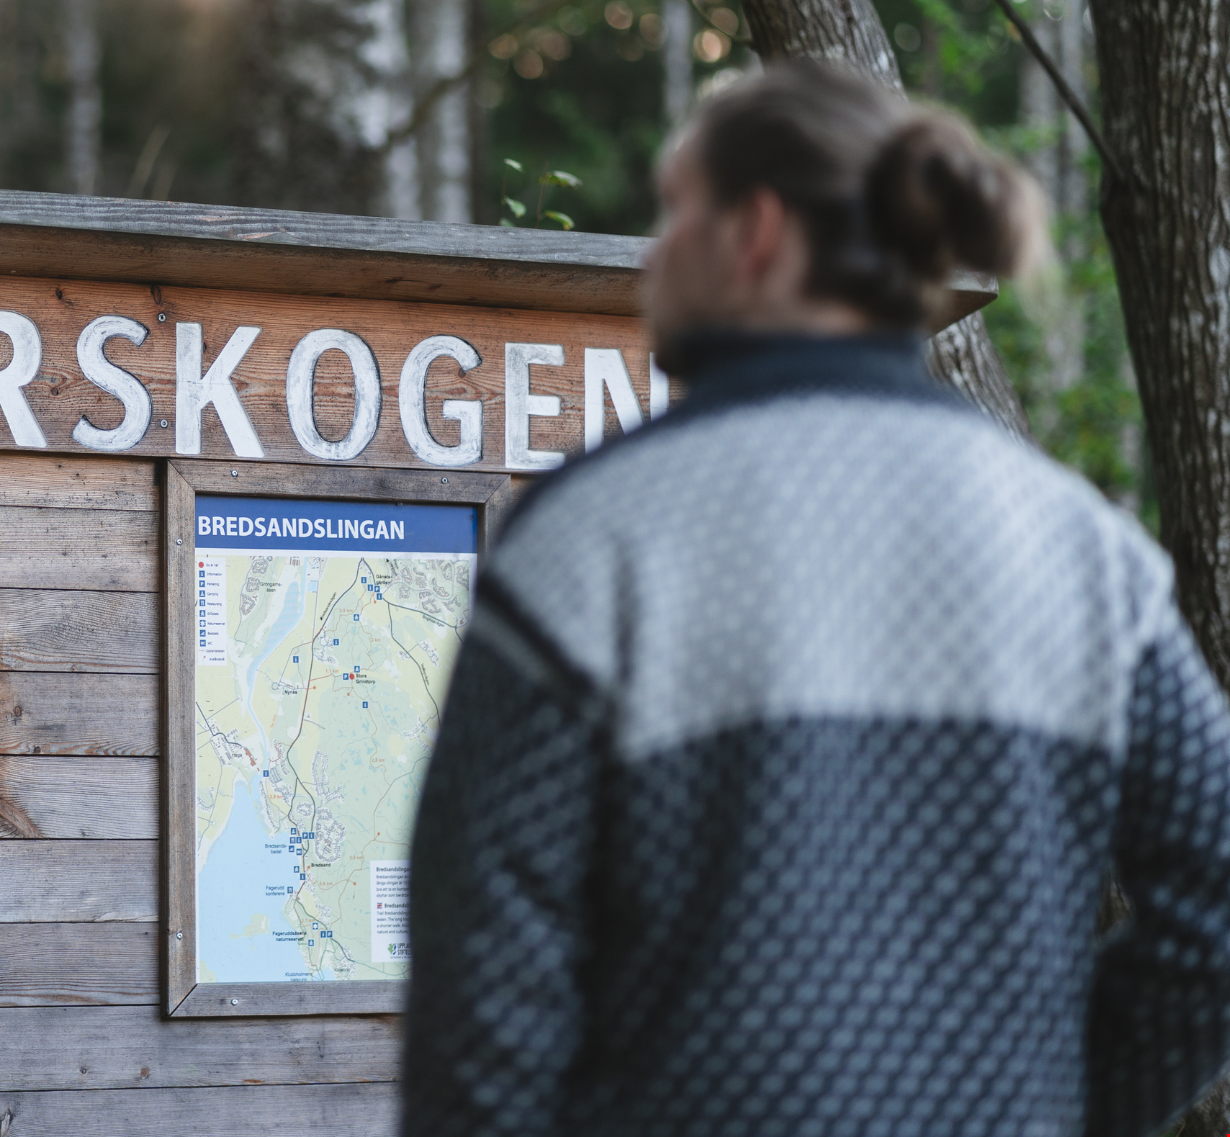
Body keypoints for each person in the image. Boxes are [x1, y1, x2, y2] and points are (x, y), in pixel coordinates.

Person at [402, 60, 1230, 1137]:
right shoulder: (1084, 550)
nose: (654, 255)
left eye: (677, 211)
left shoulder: (591, 535)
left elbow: (480, 975)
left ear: (757, 232)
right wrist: (1057, 1107)